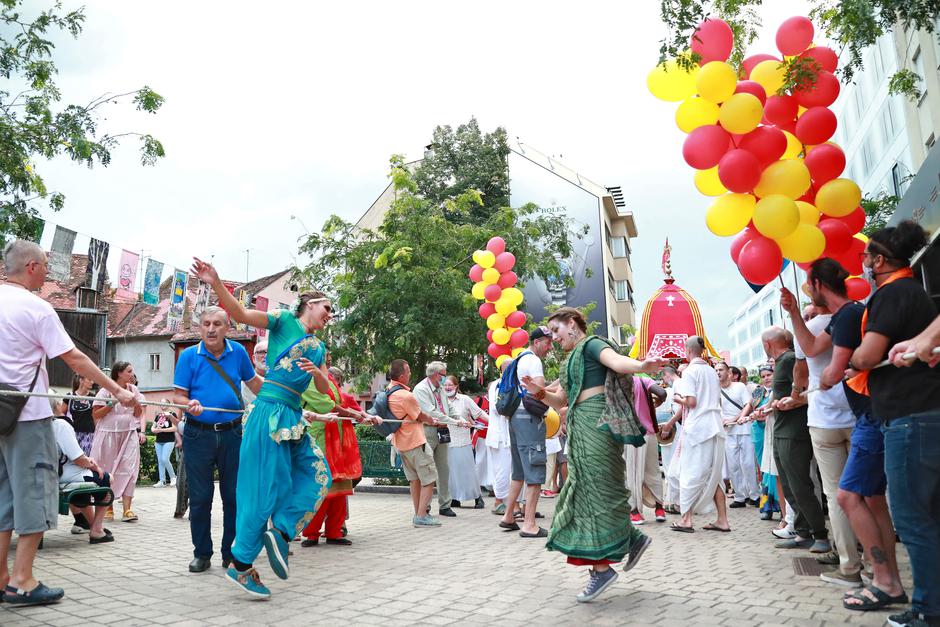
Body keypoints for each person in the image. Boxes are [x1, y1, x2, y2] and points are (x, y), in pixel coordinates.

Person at [0, 240, 136, 605]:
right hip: (26, 416)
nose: (48, 273)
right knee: (35, 492)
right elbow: (75, 358)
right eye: (45, 265)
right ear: (30, 267)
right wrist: (116, 390)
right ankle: (22, 579)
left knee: (1, 495)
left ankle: (0, 577)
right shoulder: (36, 308)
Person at [191, 258, 336, 599]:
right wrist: (215, 282)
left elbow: (327, 386)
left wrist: (317, 375)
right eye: (327, 307)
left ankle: (281, 533)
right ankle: (241, 565)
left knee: (319, 474)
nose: (330, 314)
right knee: (261, 490)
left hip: (293, 415)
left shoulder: (319, 346)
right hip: (269, 411)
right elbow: (240, 316)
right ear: (310, 304)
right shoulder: (283, 320)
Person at [524, 308, 665, 603]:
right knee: (591, 490)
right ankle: (632, 539)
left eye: (556, 330)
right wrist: (538, 392)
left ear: (573, 324)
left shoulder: (592, 345)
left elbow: (616, 361)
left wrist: (643, 365)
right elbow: (560, 399)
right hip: (580, 423)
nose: (553, 337)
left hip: (596, 423)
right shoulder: (571, 360)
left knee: (591, 492)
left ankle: (602, 570)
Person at [847, 222, 940, 626]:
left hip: (909, 417)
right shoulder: (913, 291)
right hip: (920, 414)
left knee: (913, 517)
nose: (864, 263)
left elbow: (867, 357)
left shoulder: (890, 294)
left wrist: (849, 362)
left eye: (867, 256)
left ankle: (928, 608)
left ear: (880, 261)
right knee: (926, 515)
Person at [781, 261, 867, 587]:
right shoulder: (857, 316)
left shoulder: (816, 327)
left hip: (825, 418)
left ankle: (849, 564)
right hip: (859, 413)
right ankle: (872, 559)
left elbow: (804, 362)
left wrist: (792, 316)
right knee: (867, 492)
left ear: (816, 286)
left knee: (837, 494)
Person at [173, 306, 262, 573]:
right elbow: (178, 396)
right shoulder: (188, 356)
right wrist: (190, 403)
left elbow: (255, 383)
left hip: (232, 433)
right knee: (200, 498)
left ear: (228, 328)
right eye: (206, 324)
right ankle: (201, 553)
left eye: (217, 324)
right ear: (200, 327)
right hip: (197, 433)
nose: (211, 329)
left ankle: (230, 553)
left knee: (233, 496)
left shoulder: (238, 354)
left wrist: (280, 399)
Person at [762, 327, 830, 554]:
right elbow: (781, 393)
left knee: (801, 485)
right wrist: (770, 406)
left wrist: (792, 402)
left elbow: (810, 390)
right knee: (790, 487)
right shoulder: (783, 361)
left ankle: (819, 534)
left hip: (794, 431)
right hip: (782, 429)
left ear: (768, 344)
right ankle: (802, 531)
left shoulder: (791, 359)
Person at [300, 365, 372, 547]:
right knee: (321, 486)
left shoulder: (328, 379)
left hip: (339, 440)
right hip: (321, 438)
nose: (325, 361)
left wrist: (362, 414)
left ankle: (335, 531)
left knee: (340, 487)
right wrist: (355, 414)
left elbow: (344, 400)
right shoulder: (307, 379)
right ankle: (311, 533)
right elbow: (325, 405)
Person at [669, 337, 730, 534]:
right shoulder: (712, 372)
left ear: (687, 350)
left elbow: (692, 402)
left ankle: (686, 520)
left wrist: (677, 397)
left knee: (690, 472)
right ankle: (722, 520)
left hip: (698, 428)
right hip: (715, 425)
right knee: (714, 474)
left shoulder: (690, 372)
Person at [498, 326, 555, 539]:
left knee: (519, 471)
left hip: (515, 417)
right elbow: (538, 392)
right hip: (529, 418)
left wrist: (553, 385)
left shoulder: (519, 358)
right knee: (535, 469)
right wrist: (556, 390)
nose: (550, 347)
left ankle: (508, 516)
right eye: (548, 342)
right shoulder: (533, 360)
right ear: (537, 341)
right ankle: (529, 523)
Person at [387, 359, 442, 527]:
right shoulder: (405, 395)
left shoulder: (389, 391)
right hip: (416, 442)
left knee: (414, 480)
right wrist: (432, 419)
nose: (410, 374)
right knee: (429, 479)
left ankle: (418, 512)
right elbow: (419, 415)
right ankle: (421, 516)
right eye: (408, 371)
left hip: (401, 443)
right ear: (402, 376)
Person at [92, 361, 146, 523]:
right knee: (108, 467)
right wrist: (112, 402)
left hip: (128, 431)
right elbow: (96, 415)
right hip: (108, 432)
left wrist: (136, 403)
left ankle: (127, 509)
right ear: (119, 373)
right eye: (129, 371)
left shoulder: (134, 390)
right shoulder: (104, 391)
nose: (132, 374)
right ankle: (108, 508)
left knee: (129, 467)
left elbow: (137, 414)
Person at [52, 412, 114, 544]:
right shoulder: (59, 424)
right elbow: (78, 458)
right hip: (63, 475)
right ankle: (96, 530)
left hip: (41, 474)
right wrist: (93, 465)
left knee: (83, 486)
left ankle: (91, 524)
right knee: (107, 479)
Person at [413, 361, 457, 517]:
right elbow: (431, 412)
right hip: (427, 431)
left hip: (443, 430)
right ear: (437, 375)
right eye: (444, 375)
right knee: (427, 470)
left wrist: (458, 418)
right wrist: (454, 422)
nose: (445, 378)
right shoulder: (421, 389)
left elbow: (448, 407)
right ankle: (425, 507)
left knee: (444, 468)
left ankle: (445, 504)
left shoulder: (440, 388)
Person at [736, 366, 779, 520]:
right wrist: (741, 417)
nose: (766, 378)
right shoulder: (759, 391)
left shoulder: (779, 389)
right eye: (763, 376)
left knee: (774, 468)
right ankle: (767, 505)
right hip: (758, 431)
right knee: (764, 468)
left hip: (773, 429)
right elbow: (749, 404)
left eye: (769, 375)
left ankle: (777, 505)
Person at [716, 361, 759, 509]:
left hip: (744, 428)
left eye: (721, 369)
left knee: (748, 463)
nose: (718, 373)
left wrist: (736, 418)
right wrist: (722, 420)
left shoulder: (739, 386)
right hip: (728, 431)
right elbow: (717, 409)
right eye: (716, 370)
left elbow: (748, 403)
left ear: (728, 372)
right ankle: (740, 496)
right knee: (733, 465)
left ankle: (754, 495)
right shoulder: (716, 390)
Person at [625, 376, 667, 525]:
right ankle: (660, 509)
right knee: (653, 471)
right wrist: (657, 402)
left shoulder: (614, 382)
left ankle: (635, 511)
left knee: (633, 473)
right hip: (649, 433)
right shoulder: (643, 381)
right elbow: (662, 393)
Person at [443, 376, 485, 509]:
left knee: (467, 471)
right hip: (447, 442)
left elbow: (479, 414)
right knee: (451, 473)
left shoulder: (465, 400)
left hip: (463, 441)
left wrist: (494, 423)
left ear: (456, 386)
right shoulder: (440, 401)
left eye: (450, 385)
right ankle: (455, 498)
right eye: (445, 385)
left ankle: (478, 498)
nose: (448, 387)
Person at [485, 361, 513, 516]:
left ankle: (511, 503)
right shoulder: (497, 385)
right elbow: (498, 408)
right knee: (502, 470)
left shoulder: (511, 383)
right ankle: (498, 501)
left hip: (508, 434)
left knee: (508, 470)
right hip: (499, 436)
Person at [59, 375, 96, 455]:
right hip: (72, 433)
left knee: (85, 457)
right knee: (72, 456)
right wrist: (67, 424)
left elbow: (96, 416)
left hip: (89, 434)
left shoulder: (94, 397)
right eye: (89, 379)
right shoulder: (70, 396)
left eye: (92, 380)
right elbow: (61, 413)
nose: (92, 382)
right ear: (81, 380)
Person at [151, 402, 178, 487]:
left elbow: (175, 428)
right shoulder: (158, 415)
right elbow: (153, 426)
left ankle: (173, 477)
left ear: (168, 404)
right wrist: (153, 430)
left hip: (169, 440)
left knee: (165, 459)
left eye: (164, 403)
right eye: (161, 403)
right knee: (160, 461)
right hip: (158, 441)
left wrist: (162, 430)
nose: (162, 405)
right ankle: (162, 481)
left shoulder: (172, 414)